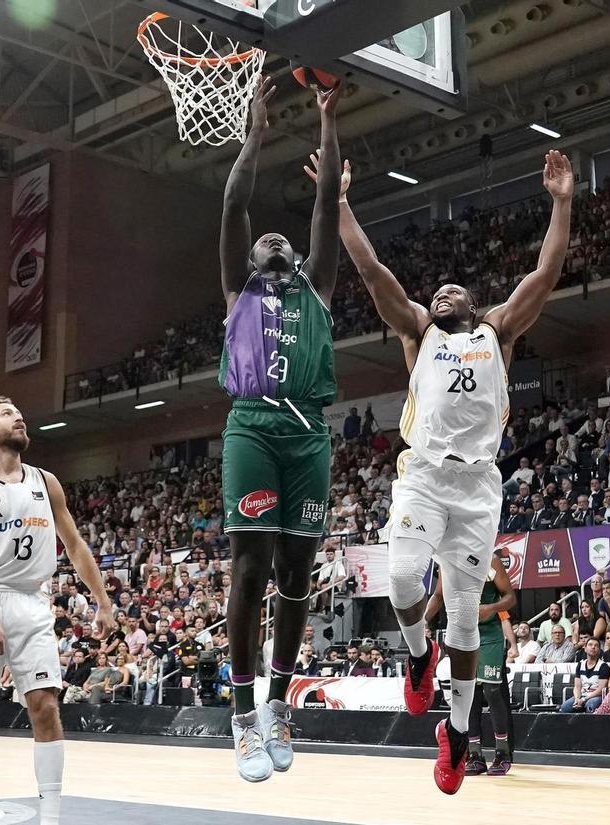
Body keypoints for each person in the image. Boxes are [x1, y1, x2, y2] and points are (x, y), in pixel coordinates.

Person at [325, 145, 572, 794]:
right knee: (404, 575)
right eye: (435, 290)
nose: (441, 292)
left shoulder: (497, 332)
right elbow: (373, 269)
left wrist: (563, 203)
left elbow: (545, 275)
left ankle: (457, 735)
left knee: (465, 616)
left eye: (452, 289)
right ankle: (415, 654)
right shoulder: (416, 332)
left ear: (470, 301)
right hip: (425, 475)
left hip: (478, 485)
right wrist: (343, 202)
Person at [219, 77, 343, 783]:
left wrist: (326, 121)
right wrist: (255, 133)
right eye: (265, 237)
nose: (272, 236)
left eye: (281, 237)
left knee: (297, 574)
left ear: (295, 258)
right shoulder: (239, 286)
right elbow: (236, 201)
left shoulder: (318, 286)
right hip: (253, 427)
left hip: (309, 434)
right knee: (251, 566)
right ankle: (240, 718)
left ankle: (277, 704)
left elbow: (326, 202)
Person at [0, 397, 113, 825]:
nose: (18, 417)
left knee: (45, 706)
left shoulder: (46, 481)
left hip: (30, 600)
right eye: (6, 414)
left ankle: (51, 817)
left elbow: (75, 546)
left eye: (19, 413)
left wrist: (103, 602)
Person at [428, 559, 517, 777]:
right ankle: (475, 755)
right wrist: (422, 620)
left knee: (492, 691)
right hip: (462, 633)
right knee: (469, 695)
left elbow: (510, 598)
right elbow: (438, 596)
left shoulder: (492, 561)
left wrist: (492, 608)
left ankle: (503, 753)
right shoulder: (447, 561)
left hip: (488, 635)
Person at [560, 638, 610, 713]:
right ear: (585, 648)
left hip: (596, 696)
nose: (593, 647)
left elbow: (600, 690)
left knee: (590, 706)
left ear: (599, 650)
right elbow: (577, 687)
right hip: (582, 695)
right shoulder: (580, 665)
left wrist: (583, 700)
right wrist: (577, 699)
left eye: (596, 645)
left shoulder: (603, 666)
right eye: (590, 645)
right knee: (565, 707)